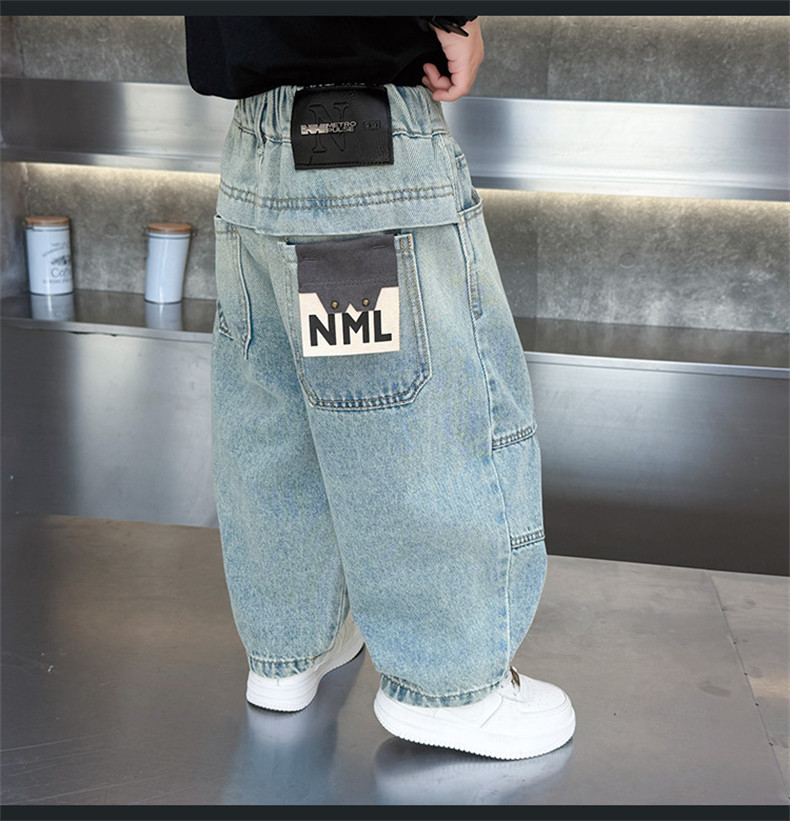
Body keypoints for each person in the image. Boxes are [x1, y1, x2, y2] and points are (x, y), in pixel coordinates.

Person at [184, 15, 575, 760]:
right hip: (367, 140)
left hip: (256, 144)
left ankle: (292, 649)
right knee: (417, 423)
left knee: (276, 418)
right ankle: (450, 686)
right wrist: (455, 18)